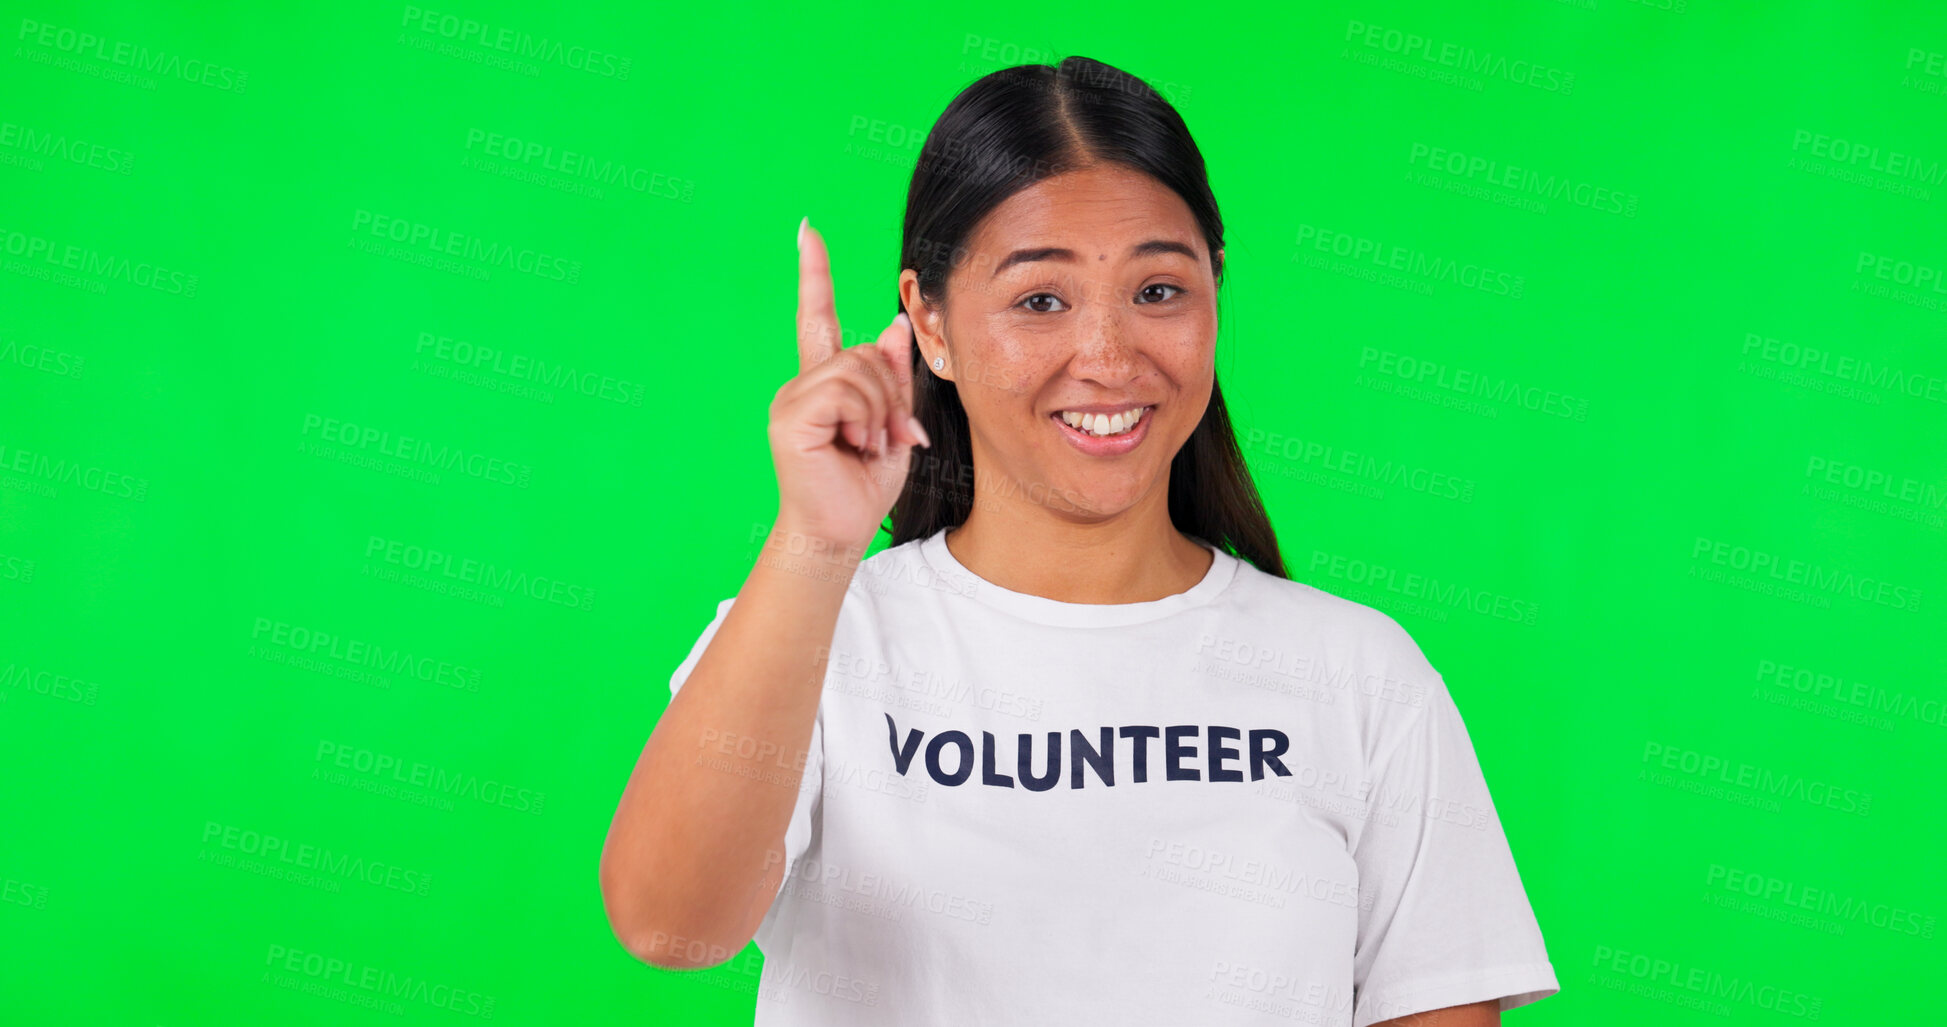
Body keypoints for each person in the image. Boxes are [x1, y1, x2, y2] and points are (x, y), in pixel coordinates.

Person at [600, 55, 1559, 1027]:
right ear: (928, 322)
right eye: (1040, 301)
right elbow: (670, 928)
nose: (1107, 358)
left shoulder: (1359, 675)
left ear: (1215, 290)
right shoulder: (815, 642)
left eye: (1157, 292)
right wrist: (813, 542)